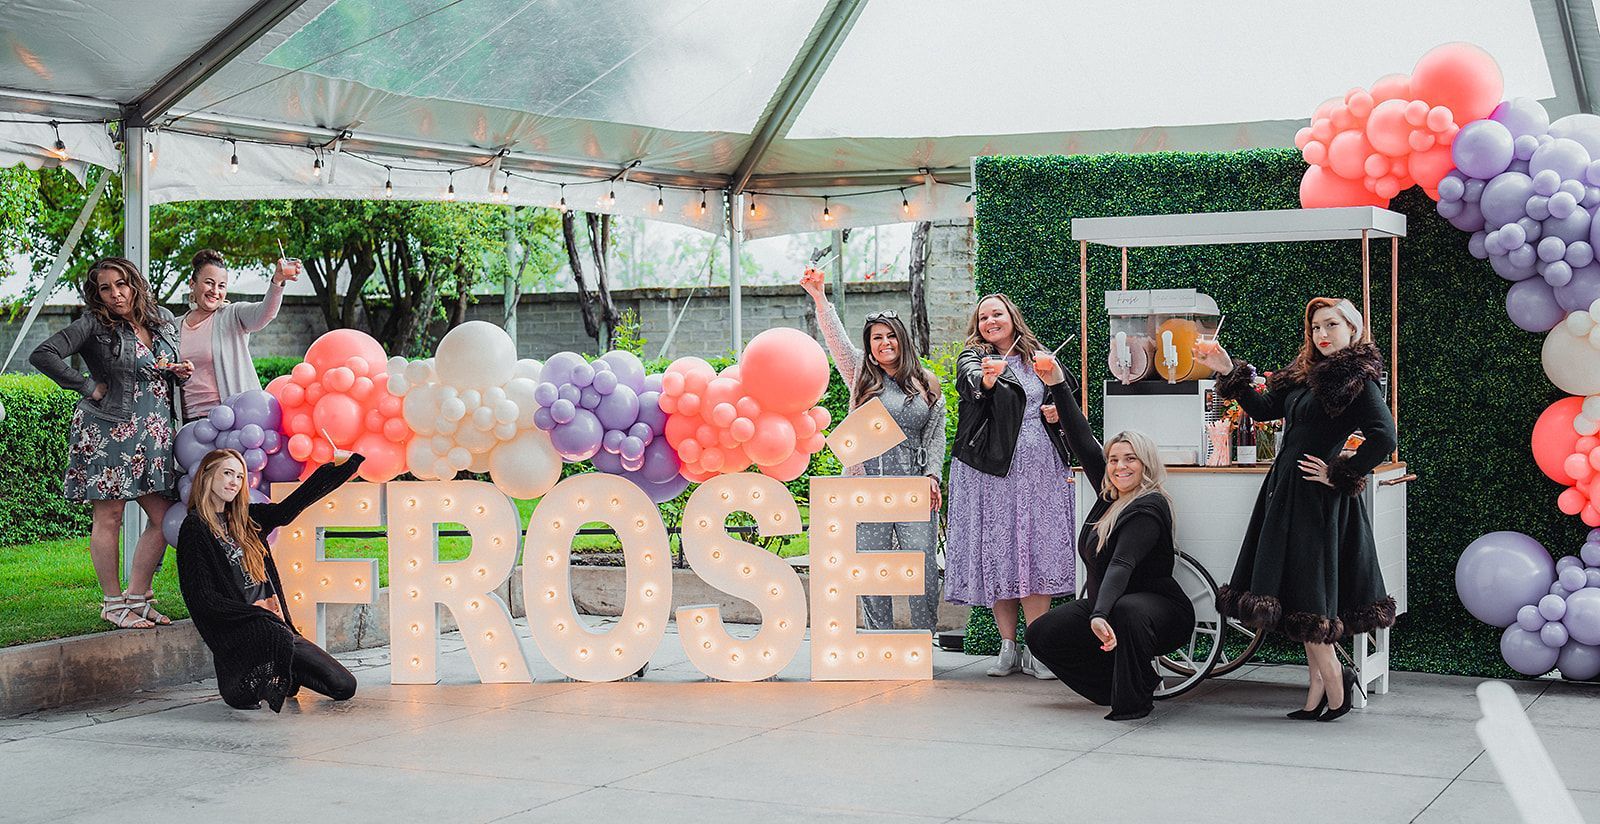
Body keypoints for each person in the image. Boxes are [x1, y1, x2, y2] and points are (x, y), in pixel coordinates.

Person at [1195, 297, 1398, 722]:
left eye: (1331, 325)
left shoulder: (1357, 379)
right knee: (1300, 595)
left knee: (1310, 592)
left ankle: (1337, 687)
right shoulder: (1306, 375)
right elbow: (1266, 409)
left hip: (1315, 501)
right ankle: (1317, 690)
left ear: (1353, 329)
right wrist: (1226, 368)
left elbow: (1384, 437)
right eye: (1315, 328)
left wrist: (1341, 472)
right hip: (1286, 494)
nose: (1322, 335)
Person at [1026, 353, 1195, 721]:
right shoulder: (1109, 496)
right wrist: (1056, 382)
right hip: (1109, 605)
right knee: (1041, 634)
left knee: (1126, 609)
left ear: (1146, 464)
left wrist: (1100, 614)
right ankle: (1121, 683)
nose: (1120, 466)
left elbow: (1122, 563)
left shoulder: (1150, 505)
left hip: (1159, 610)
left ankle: (1132, 701)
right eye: (1115, 459)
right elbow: (1083, 439)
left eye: (1130, 459)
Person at [30, 257, 191, 629]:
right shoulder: (94, 324)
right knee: (110, 515)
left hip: (153, 435)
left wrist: (179, 373)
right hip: (108, 433)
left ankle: (138, 596)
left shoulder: (162, 319)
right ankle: (112, 602)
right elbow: (43, 354)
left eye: (121, 284)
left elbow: (159, 370)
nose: (116, 294)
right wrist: (88, 386)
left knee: (164, 517)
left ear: (135, 283)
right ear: (97, 294)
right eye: (106, 288)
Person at [801, 266, 945, 630]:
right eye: (876, 338)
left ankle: (921, 637)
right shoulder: (860, 375)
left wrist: (932, 476)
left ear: (902, 340)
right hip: (866, 489)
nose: (884, 343)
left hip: (913, 489)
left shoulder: (927, 382)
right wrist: (820, 298)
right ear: (869, 345)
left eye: (891, 336)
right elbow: (835, 338)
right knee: (870, 565)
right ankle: (879, 636)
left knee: (923, 565)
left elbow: (936, 434)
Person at [946, 293, 1078, 678]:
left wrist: (1056, 409)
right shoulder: (974, 358)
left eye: (997, 313)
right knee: (1002, 551)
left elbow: (1063, 393)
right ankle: (1007, 647)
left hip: (1040, 471)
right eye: (983, 316)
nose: (990, 320)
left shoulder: (1039, 356)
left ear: (1011, 317)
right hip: (992, 472)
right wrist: (985, 379)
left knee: (1034, 550)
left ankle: (1038, 647)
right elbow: (969, 382)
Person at [177, 448, 364, 712]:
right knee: (262, 665)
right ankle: (253, 675)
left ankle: (285, 668)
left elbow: (290, 508)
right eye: (227, 473)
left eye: (240, 477)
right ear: (207, 476)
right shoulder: (195, 528)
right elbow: (202, 598)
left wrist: (342, 468)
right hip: (247, 630)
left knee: (345, 686)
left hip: (278, 629)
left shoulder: (248, 519)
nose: (234, 482)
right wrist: (256, 618)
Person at [178, 249, 300, 420]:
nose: (215, 291)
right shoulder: (174, 326)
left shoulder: (232, 315)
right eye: (209, 283)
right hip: (189, 423)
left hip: (233, 419)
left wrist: (277, 280)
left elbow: (265, 313)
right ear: (192, 283)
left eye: (221, 286)